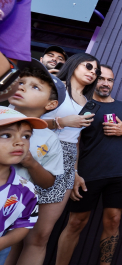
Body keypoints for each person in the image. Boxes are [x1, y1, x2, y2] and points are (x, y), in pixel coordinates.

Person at [55, 65, 122, 265]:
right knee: (76, 223)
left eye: (110, 80)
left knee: (113, 221)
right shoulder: (84, 105)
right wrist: (75, 172)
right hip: (88, 173)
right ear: (94, 80)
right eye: (101, 78)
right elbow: (73, 140)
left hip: (120, 173)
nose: (105, 83)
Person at [4, 59, 67, 265]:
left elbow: (48, 182)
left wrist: (31, 162)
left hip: (10, 210)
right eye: (20, 82)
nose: (22, 87)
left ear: (50, 104)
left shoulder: (50, 140)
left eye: (35, 87)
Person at [40, 53, 101, 203]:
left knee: (46, 226)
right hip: (41, 151)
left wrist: (75, 171)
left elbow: (76, 139)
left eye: (97, 71)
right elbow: (26, 120)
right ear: (74, 64)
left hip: (67, 158)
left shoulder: (87, 102)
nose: (93, 72)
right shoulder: (54, 86)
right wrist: (62, 122)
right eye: (88, 66)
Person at [0, 107, 48, 264]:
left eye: (26, 136)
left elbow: (24, 224)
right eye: (6, 135)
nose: (20, 142)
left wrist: (2, 243)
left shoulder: (26, 190)